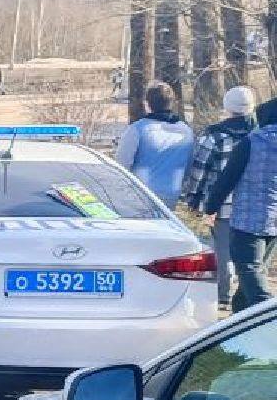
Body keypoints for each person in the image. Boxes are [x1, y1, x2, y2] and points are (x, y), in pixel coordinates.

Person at [182, 85, 258, 309]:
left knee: (223, 250)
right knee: (250, 252)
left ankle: (222, 294)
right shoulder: (260, 135)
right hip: (253, 204)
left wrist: (194, 199)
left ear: (227, 107)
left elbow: (200, 169)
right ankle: (245, 294)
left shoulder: (215, 135)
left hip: (221, 203)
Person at [204, 97, 277, 312]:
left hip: (247, 220)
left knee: (251, 272)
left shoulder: (251, 143)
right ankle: (239, 322)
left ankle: (268, 316)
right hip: (274, 223)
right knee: (252, 277)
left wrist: (211, 208)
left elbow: (228, 178)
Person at [118, 80, 196, 206]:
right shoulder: (185, 131)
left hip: (140, 195)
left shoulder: (138, 129)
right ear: (171, 103)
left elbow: (122, 165)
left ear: (147, 104)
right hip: (171, 195)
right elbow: (188, 167)